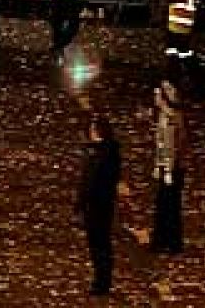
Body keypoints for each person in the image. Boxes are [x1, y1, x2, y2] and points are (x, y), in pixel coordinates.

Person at [77, 115, 125, 297]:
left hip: (98, 204)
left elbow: (92, 181)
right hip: (98, 204)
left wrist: (82, 201)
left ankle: (102, 282)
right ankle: (101, 280)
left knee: (100, 244)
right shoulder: (102, 152)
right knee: (98, 244)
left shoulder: (101, 154)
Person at [148, 80, 188, 255]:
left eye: (157, 95)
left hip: (171, 169)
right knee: (168, 205)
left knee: (167, 206)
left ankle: (167, 241)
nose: (155, 98)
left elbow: (170, 148)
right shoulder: (168, 116)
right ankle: (168, 241)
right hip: (170, 168)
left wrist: (167, 170)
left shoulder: (169, 119)